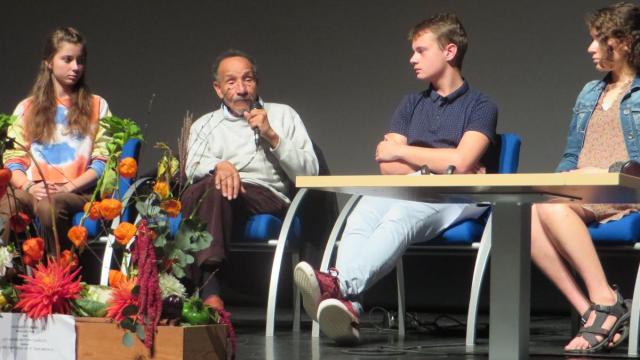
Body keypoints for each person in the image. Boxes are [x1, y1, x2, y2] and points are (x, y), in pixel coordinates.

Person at [294, 13, 498, 344]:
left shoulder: (481, 106)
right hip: (408, 189)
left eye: (421, 50)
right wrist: (436, 164)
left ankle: (339, 286)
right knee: (360, 212)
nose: (412, 59)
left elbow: (461, 165)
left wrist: (409, 155)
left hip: (457, 197)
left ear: (448, 51)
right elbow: (386, 165)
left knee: (399, 216)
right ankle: (349, 304)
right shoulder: (410, 104)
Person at [531, 2, 640, 353]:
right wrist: (560, 181)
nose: (590, 48)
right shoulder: (589, 93)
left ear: (623, 42)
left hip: (627, 190)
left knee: (552, 210)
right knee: (526, 212)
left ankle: (605, 301)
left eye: (598, 40)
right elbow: (571, 154)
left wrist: (606, 172)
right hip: (584, 192)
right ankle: (593, 311)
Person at [183, 49, 319, 311]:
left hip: (265, 195)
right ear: (218, 89)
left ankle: (207, 292)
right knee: (208, 190)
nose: (242, 89)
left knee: (209, 192)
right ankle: (207, 292)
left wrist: (272, 136)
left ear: (257, 83)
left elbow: (310, 172)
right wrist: (220, 166)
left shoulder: (283, 115)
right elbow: (192, 168)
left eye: (248, 80)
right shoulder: (204, 124)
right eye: (231, 81)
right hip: (217, 194)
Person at [0, 27, 110, 251]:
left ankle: (57, 277)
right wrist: (29, 187)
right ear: (49, 62)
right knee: (9, 203)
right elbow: (14, 159)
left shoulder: (97, 105)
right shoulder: (27, 108)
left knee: (50, 206)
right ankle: (5, 275)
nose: (75, 67)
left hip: (77, 192)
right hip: (34, 189)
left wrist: (68, 187)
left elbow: (102, 161)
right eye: (67, 59)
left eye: (80, 60)